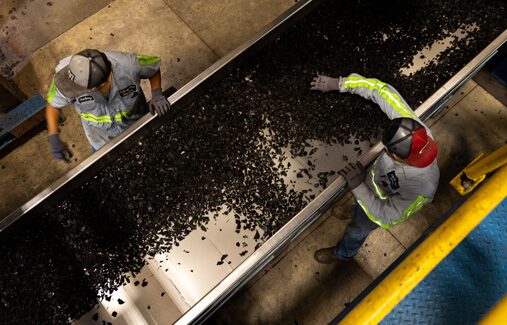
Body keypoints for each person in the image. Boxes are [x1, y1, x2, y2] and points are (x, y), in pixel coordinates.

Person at [310, 73, 440, 265]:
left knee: (356, 230)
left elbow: (387, 218)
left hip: (379, 206)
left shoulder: (421, 190)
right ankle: (354, 210)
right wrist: (339, 84)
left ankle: (343, 253)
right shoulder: (414, 129)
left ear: (396, 156)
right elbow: (381, 90)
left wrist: (358, 187)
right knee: (359, 208)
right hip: (371, 181)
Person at [45, 49, 171, 161]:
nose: (74, 91)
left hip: (137, 125)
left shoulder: (129, 65)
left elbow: (153, 68)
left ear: (102, 84)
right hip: (101, 141)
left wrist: (157, 94)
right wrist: (53, 135)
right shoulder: (67, 77)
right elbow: (53, 105)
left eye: (81, 89)